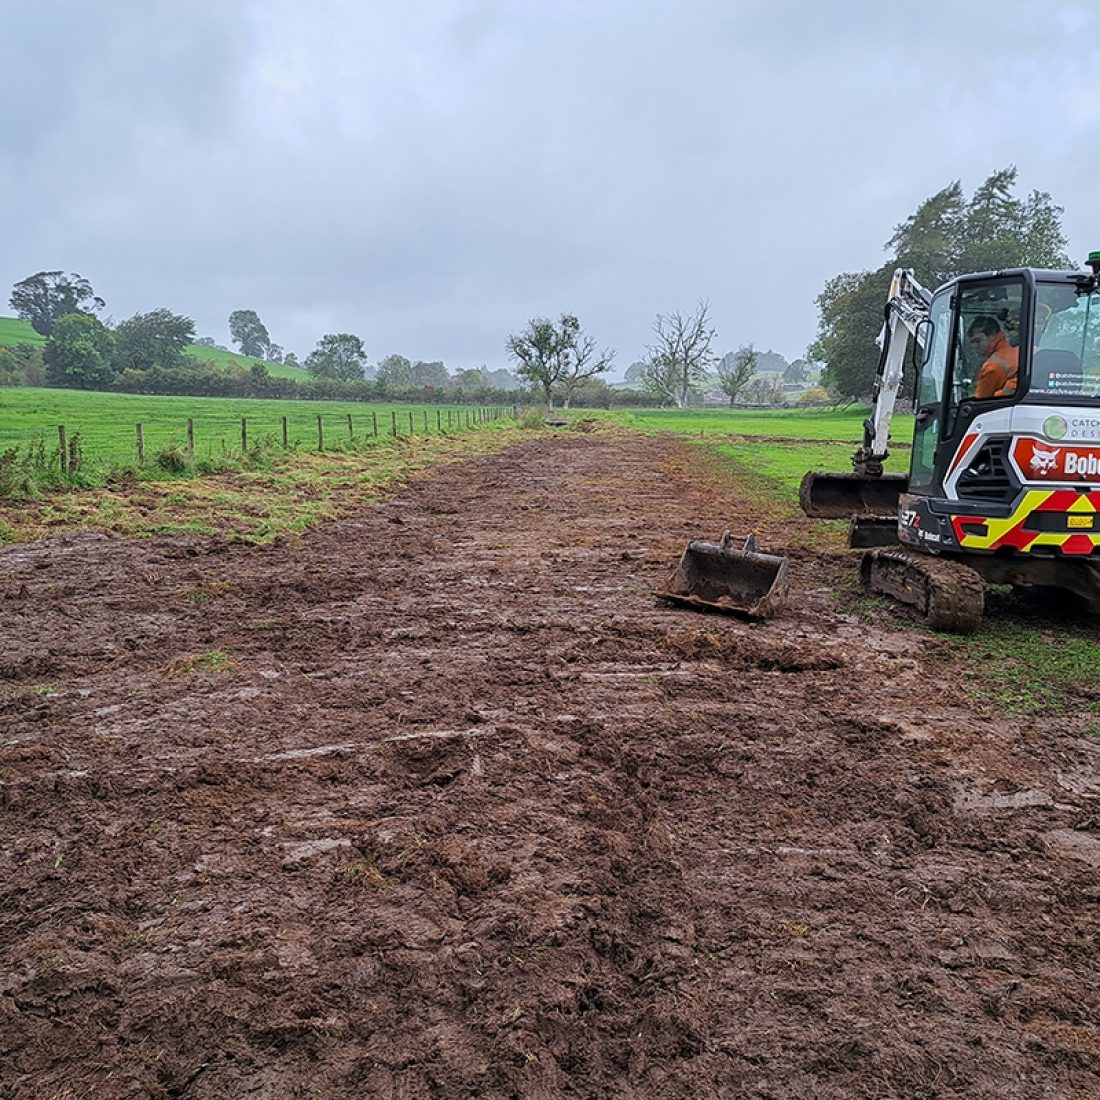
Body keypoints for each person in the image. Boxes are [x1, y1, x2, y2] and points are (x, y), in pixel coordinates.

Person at [968, 315, 1019, 398]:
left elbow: (981, 400)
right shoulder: (1024, 351)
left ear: (993, 336)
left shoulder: (992, 367)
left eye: (978, 341)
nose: (975, 346)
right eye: (972, 342)